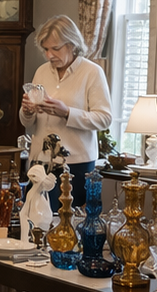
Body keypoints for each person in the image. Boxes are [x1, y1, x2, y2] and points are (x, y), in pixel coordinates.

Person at [19, 15, 113, 213]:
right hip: (40, 160)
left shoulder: (92, 73)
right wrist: (27, 111)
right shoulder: (41, 72)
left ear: (72, 44)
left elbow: (104, 118)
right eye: (45, 49)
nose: (49, 55)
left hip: (76, 164)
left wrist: (67, 113)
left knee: (69, 226)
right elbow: (28, 122)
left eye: (55, 48)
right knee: (34, 219)